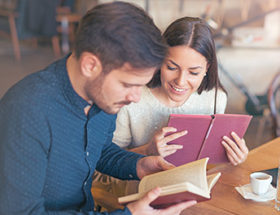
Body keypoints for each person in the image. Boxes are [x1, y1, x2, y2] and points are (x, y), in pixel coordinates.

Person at [0, 2, 197, 215]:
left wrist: (138, 166)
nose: (136, 97)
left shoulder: (102, 96)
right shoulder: (26, 111)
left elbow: (98, 149)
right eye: (128, 85)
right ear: (90, 65)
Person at [92, 17, 249, 197]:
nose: (180, 81)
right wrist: (146, 151)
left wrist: (235, 156)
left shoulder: (216, 98)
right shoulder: (133, 98)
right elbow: (103, 165)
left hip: (194, 193)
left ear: (207, 68)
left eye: (194, 72)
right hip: (141, 195)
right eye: (171, 67)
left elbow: (211, 162)